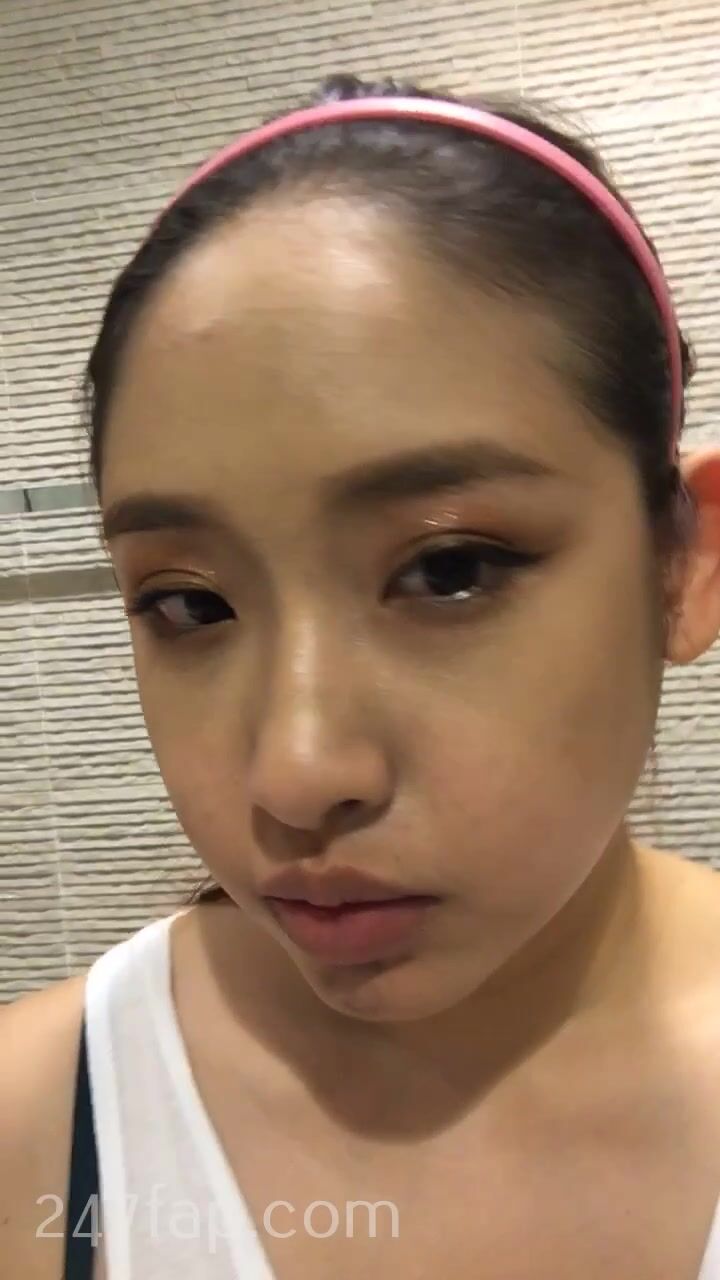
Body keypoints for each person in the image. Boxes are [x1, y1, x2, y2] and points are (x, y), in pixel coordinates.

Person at [2, 71, 719, 1280]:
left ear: (684, 563)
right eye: (189, 602)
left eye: (449, 570)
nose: (295, 773)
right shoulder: (33, 1124)